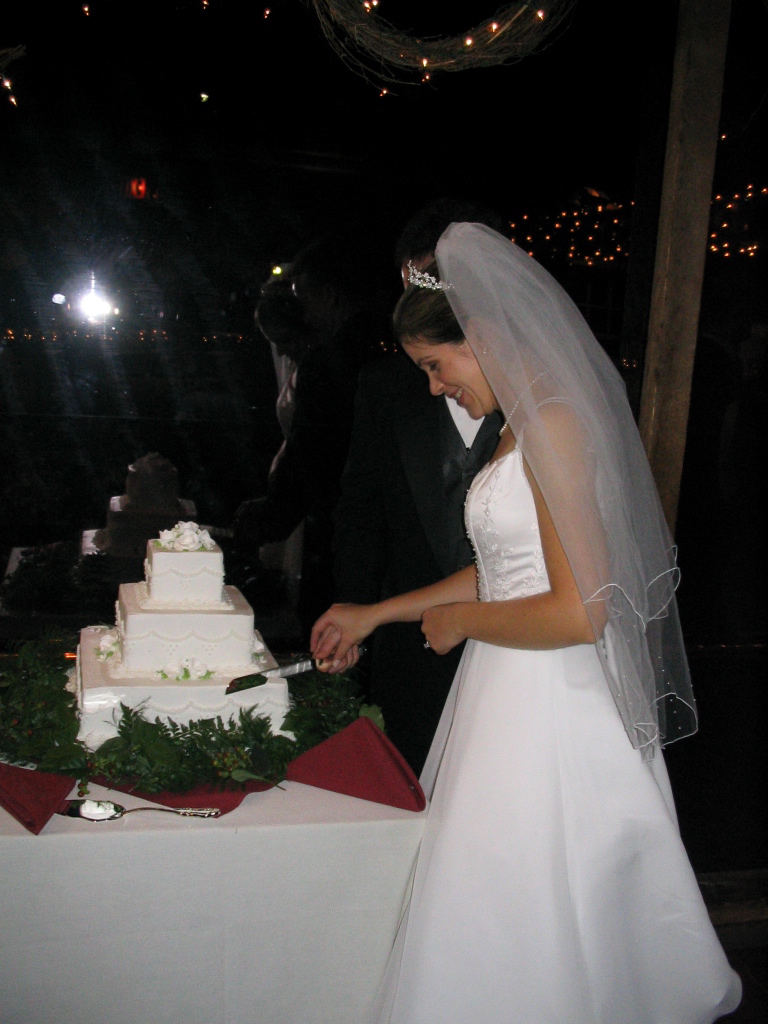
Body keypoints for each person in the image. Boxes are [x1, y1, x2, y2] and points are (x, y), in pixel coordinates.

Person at [312, 224, 742, 1024]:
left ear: (479, 337)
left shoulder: (555, 426)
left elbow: (582, 610)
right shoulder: (518, 426)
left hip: (552, 703)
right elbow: (508, 567)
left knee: (529, 890)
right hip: (506, 687)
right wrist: (378, 612)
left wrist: (459, 622)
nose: (434, 387)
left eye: (435, 366)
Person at [333, 200, 506, 774]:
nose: (421, 308)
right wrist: (358, 619)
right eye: (412, 290)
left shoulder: (547, 407)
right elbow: (361, 514)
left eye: (435, 290)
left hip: (521, 655)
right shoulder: (386, 386)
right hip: (412, 648)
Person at [233, 237, 389, 633]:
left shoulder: (330, 359)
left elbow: (314, 451)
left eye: (305, 298)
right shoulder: (387, 343)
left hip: (342, 517)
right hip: (385, 519)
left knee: (328, 626)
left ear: (330, 296)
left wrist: (271, 516)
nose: (303, 310)